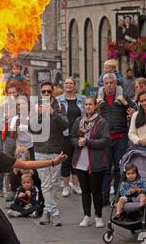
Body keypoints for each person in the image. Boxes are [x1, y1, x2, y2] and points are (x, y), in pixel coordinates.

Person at [71, 97, 109, 228]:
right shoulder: (79, 121)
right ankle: (86, 215)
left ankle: (98, 216)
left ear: (95, 106)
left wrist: (88, 142)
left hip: (96, 162)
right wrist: (78, 142)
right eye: (86, 104)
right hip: (80, 161)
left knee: (96, 190)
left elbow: (105, 141)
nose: (88, 107)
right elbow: (72, 137)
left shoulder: (102, 122)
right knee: (85, 190)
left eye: (90, 104)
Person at [34, 82, 69, 226]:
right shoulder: (36, 107)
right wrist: (40, 115)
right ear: (41, 93)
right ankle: (55, 213)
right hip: (40, 150)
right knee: (45, 184)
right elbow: (32, 128)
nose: (47, 94)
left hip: (55, 150)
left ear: (53, 92)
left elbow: (65, 125)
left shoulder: (60, 107)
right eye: (44, 92)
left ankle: (47, 212)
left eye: (49, 91)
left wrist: (54, 114)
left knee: (53, 184)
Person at [98, 73, 135, 205]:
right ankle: (104, 198)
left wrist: (125, 103)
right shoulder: (99, 99)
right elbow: (90, 114)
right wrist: (97, 106)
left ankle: (119, 197)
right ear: (103, 85)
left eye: (111, 83)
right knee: (106, 168)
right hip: (105, 139)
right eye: (106, 83)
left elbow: (136, 111)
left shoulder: (123, 97)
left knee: (120, 168)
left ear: (116, 84)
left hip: (121, 138)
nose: (109, 85)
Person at [56, 77, 85, 197]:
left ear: (74, 85)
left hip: (78, 133)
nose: (68, 85)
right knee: (65, 160)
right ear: (64, 85)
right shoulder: (58, 100)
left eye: (71, 83)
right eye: (66, 83)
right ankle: (66, 186)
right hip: (65, 134)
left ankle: (76, 185)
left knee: (77, 160)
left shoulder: (82, 99)